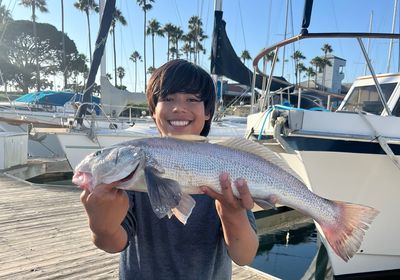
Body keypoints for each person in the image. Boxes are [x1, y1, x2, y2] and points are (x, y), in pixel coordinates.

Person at [80, 59, 259, 279]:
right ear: (153, 111)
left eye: (192, 99)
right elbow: (112, 243)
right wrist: (101, 226)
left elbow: (244, 256)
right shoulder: (130, 174)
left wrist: (233, 213)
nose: (178, 107)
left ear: (208, 112)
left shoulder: (226, 168)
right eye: (167, 98)